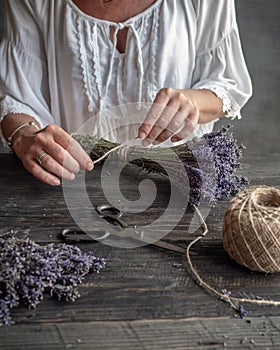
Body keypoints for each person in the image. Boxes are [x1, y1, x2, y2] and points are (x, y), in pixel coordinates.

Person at [0, 0, 252, 186]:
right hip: (71, 187)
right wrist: (24, 134)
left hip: (175, 189)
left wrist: (193, 103)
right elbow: (16, 98)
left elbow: (227, 83)